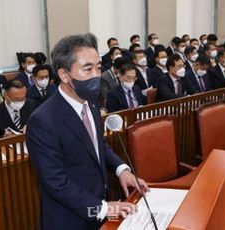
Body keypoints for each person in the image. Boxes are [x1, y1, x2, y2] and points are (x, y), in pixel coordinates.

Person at [26, 33, 149, 230]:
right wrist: (103, 208)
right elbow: (56, 183)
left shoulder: (91, 104)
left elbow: (98, 145)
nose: (96, 76)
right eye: (87, 69)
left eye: (99, 68)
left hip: (102, 211)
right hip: (70, 219)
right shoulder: (42, 121)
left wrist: (122, 170)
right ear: (64, 75)